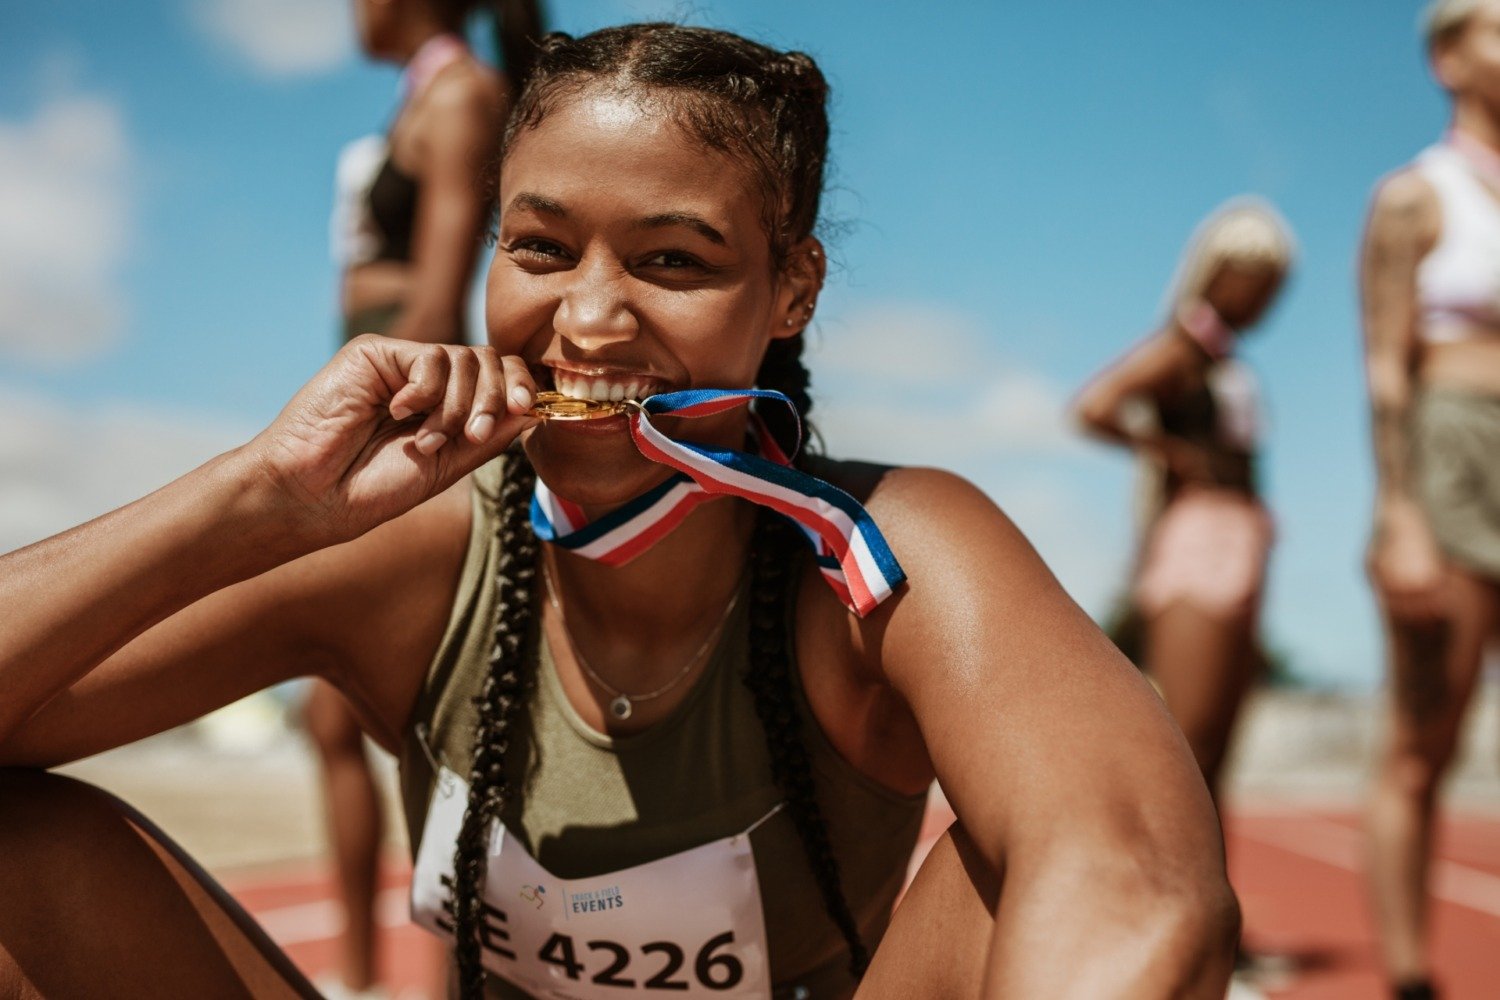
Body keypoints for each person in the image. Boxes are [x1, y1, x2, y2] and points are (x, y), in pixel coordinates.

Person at [0, 24, 1238, 1000]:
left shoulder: (883, 556)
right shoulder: (416, 556)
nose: (589, 321)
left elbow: (1134, 879)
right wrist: (256, 497)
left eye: (672, 260)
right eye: (539, 248)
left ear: (792, 285)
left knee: (1028, 862)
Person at [316, 3, 542, 995]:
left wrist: (388, 448)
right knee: (334, 723)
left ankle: (431, 980)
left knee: (427, 719)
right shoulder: (423, 100)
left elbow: (441, 304)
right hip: (370, 410)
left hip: (411, 426)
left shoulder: (461, 98)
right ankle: (366, 981)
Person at [1360, 3, 1500, 998]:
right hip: (1453, 455)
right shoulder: (1417, 195)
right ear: (1450, 56)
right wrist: (1400, 512)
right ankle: (1411, 976)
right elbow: (1385, 367)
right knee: (1426, 738)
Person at [1073, 200, 1294, 813]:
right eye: (1255, 282)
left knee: (1220, 750)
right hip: (1200, 535)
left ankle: (1212, 899)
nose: (1263, 300)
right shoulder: (1181, 348)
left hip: (1245, 535)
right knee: (1188, 742)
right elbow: (1094, 405)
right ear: (1216, 272)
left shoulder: (1230, 361)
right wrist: (1166, 452)